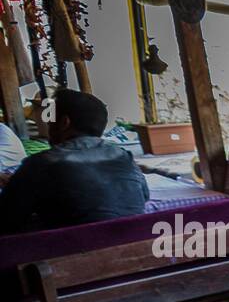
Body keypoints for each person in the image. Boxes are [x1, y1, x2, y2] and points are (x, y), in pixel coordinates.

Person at [0, 89, 148, 234]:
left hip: (72, 253)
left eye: (51, 118)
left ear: (65, 122)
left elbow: (6, 221)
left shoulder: (41, 164)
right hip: (131, 247)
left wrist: (20, 185)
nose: (47, 124)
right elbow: (143, 196)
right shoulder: (124, 157)